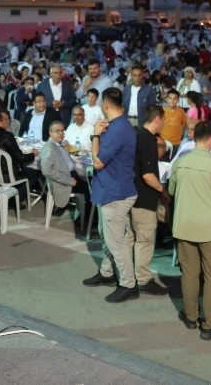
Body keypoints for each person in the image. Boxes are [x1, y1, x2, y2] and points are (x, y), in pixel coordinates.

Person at [169, 121, 211, 340]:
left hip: (185, 224)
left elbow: (171, 190)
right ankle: (210, 324)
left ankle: (190, 315)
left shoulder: (180, 162)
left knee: (189, 273)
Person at [82, 87, 139, 303]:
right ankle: (107, 272)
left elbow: (98, 162)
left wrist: (95, 134)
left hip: (115, 192)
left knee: (116, 242)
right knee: (106, 235)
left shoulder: (117, 129)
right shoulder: (119, 126)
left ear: (105, 105)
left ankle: (128, 283)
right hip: (110, 189)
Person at [132, 105, 168, 295]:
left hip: (132, 196)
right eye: (163, 119)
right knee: (145, 241)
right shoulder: (147, 139)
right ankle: (144, 280)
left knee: (133, 240)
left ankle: (131, 277)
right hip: (145, 199)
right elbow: (148, 175)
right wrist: (163, 190)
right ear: (157, 118)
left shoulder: (137, 136)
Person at [39, 120, 80, 215]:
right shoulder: (49, 148)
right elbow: (47, 170)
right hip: (65, 179)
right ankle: (85, 221)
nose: (60, 133)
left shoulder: (60, 144)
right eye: (57, 131)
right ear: (50, 132)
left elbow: (73, 156)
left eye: (62, 131)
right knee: (90, 190)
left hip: (71, 173)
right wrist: (68, 180)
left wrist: (68, 148)